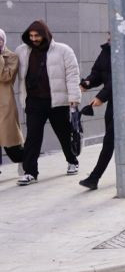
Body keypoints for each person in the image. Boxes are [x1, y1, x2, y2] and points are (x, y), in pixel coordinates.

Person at [14, 20, 80, 186]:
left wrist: (74, 98)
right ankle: (30, 172)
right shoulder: (22, 51)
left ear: (45, 35)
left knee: (64, 134)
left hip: (57, 102)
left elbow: (72, 74)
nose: (34, 39)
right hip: (34, 101)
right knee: (33, 138)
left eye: (37, 36)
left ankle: (72, 161)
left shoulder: (63, 50)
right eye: (31, 36)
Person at [77, 40, 125, 190]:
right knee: (115, 137)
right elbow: (98, 72)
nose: (111, 37)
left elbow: (119, 80)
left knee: (109, 139)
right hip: (113, 100)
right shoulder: (106, 51)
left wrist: (101, 97)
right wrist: (88, 82)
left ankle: (94, 177)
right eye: (110, 34)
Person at [0, 29, 27, 174]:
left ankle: (23, 161)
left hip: (4, 104)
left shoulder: (11, 57)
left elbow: (6, 77)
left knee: (10, 142)